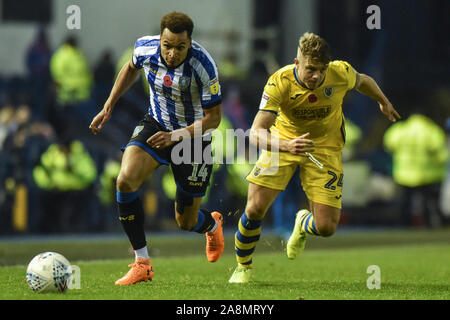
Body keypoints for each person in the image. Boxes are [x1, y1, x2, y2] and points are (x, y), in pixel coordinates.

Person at [228, 32, 401, 283]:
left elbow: (363, 80)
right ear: (297, 63)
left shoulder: (339, 72)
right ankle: (243, 267)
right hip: (284, 143)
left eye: (321, 70)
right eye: (310, 69)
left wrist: (382, 101)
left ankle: (302, 222)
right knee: (254, 209)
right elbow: (256, 133)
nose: (316, 76)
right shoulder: (280, 81)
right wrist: (287, 145)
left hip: (324, 149)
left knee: (326, 227)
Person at [89, 11, 224, 285]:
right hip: (155, 124)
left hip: (193, 138)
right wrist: (109, 106)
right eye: (168, 45)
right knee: (125, 181)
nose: (172, 53)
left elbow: (214, 119)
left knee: (185, 222)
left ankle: (211, 225)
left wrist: (175, 137)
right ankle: (142, 262)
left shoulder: (203, 66)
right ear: (160, 39)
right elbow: (130, 67)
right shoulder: (144, 47)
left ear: (190, 43)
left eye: (180, 47)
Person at [383, 113, 448, 227]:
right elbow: (439, 150)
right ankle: (430, 226)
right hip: (427, 174)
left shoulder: (400, 129)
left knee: (404, 203)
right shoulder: (431, 130)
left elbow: (388, 144)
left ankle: (402, 226)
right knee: (429, 203)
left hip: (403, 174)